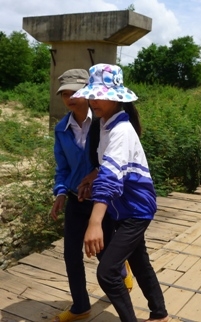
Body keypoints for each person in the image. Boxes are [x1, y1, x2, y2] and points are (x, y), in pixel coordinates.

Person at [72, 64, 169, 322]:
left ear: (116, 98)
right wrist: (92, 176)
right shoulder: (106, 125)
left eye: (100, 95)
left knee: (108, 271)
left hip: (135, 209)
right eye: (92, 95)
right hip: (124, 207)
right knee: (138, 261)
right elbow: (108, 168)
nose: (94, 101)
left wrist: (94, 223)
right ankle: (160, 314)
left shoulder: (121, 131)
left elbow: (111, 178)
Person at [50, 69, 133, 322]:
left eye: (74, 92)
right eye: (64, 93)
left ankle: (121, 270)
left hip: (101, 200)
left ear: (88, 93)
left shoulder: (104, 123)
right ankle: (81, 305)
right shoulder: (62, 129)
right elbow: (62, 167)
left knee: (103, 253)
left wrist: (96, 173)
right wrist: (61, 192)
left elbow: (116, 158)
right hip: (76, 198)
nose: (69, 98)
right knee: (70, 253)